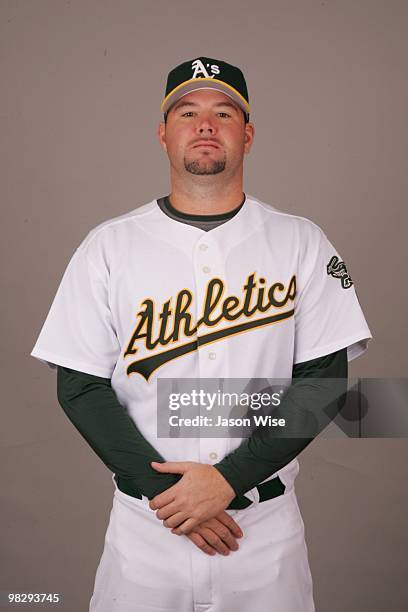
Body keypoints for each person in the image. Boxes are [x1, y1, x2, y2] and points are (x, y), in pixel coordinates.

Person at [30, 57, 372, 612]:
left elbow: (323, 385)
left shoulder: (302, 243)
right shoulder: (108, 246)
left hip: (264, 533)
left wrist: (228, 479)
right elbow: (79, 385)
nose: (205, 125)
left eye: (223, 112)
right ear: (164, 134)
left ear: (248, 134)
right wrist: (169, 494)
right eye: (187, 112)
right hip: (146, 531)